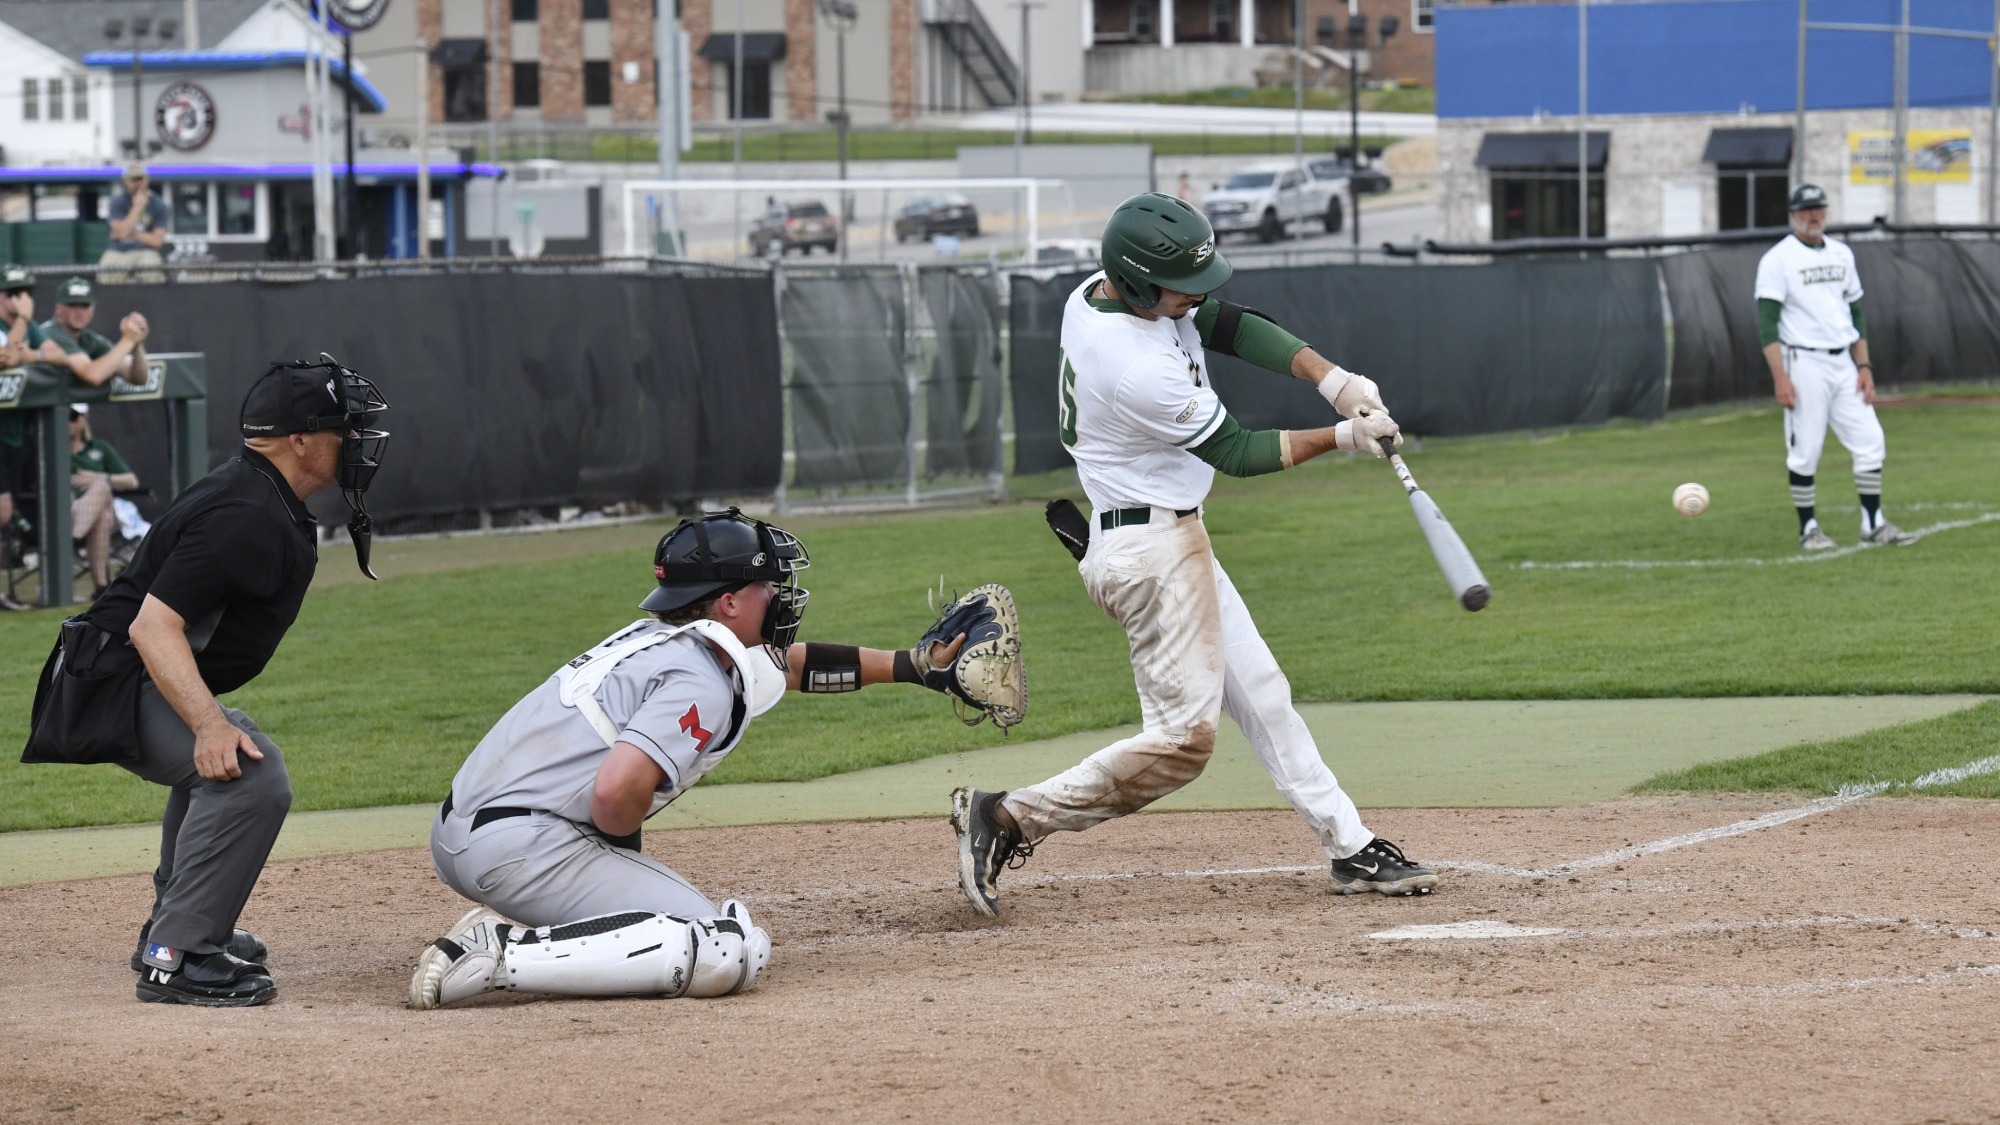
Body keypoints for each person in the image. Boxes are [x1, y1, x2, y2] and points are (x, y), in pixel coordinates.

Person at [949, 192, 1435, 919]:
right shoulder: (1131, 364)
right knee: (1184, 744)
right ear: (1143, 285)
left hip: (1170, 530)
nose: (1198, 298)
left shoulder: (1101, 292)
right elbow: (1237, 451)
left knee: (1263, 691)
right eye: (1183, 286)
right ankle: (1007, 815)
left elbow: (1225, 321)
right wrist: (1342, 437)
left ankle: (1349, 842)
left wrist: (1330, 379)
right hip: (1150, 554)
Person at [408, 509, 983, 1008]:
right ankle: (500, 955)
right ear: (730, 602)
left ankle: (523, 933)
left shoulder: (666, 642)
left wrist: (914, 665)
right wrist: (616, 849)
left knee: (669, 912)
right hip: (517, 849)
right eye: (767, 587)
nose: (779, 598)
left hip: (467, 833)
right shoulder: (700, 677)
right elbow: (613, 800)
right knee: (721, 946)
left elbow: (789, 666)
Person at [20, 357, 390, 1006]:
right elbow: (153, 628)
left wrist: (212, 726)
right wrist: (207, 722)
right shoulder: (243, 513)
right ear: (301, 440)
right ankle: (178, 954)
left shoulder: (258, 492)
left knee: (223, 755)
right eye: (344, 427)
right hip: (107, 679)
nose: (356, 439)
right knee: (251, 771)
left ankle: (178, 921)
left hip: (113, 669)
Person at [1755, 183, 1911, 551]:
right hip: (1802, 361)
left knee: (1871, 441)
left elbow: (1855, 311)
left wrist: (1864, 366)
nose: (1814, 216)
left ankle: (1872, 523)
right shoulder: (1778, 259)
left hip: (1843, 361)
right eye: (1806, 210)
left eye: (1819, 209)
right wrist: (1780, 377)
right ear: (1793, 215)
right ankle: (1808, 528)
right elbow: (1767, 323)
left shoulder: (1842, 254)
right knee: (1806, 449)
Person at [68, 404, 140, 598]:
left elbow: (132, 481)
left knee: (102, 497)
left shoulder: (99, 447)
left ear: (83, 419)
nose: (69, 422)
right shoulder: (49, 450)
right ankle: (101, 585)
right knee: (103, 516)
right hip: (65, 512)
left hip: (94, 512)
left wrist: (99, 476)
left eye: (74, 417)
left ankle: (73, 543)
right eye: (65, 416)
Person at [41, 276, 152, 390]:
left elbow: (139, 379)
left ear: (92, 310)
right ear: (58, 308)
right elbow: (93, 376)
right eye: (73, 305)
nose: (79, 313)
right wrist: (128, 340)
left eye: (85, 306)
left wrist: (137, 344)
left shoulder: (87, 338)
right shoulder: (51, 334)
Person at [100, 163, 171, 283]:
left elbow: (157, 241)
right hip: (118, 250)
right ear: (125, 181)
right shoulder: (118, 201)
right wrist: (137, 208)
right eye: (133, 179)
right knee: (107, 272)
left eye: (140, 179)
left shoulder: (159, 204)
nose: (137, 183)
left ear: (147, 179)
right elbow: (120, 234)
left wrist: (131, 232)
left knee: (151, 270)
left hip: (145, 251)